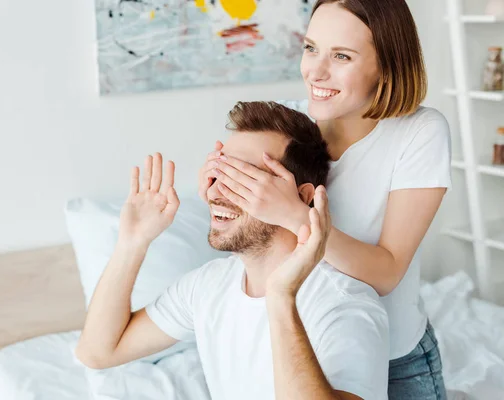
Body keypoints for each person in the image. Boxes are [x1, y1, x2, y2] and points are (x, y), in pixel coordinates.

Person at [198, 1, 451, 398]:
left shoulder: (420, 132)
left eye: (342, 56)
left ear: (387, 63)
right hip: (312, 342)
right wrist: (222, 188)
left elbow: (386, 272)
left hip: (395, 360)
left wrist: (294, 214)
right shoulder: (293, 124)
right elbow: (254, 230)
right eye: (311, 47)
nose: (314, 71)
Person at [76, 101, 389, 400]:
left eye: (244, 179)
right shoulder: (207, 287)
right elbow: (99, 352)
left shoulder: (345, 306)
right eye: (219, 173)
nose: (216, 192)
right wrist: (132, 243)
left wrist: (281, 296)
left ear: (302, 196)